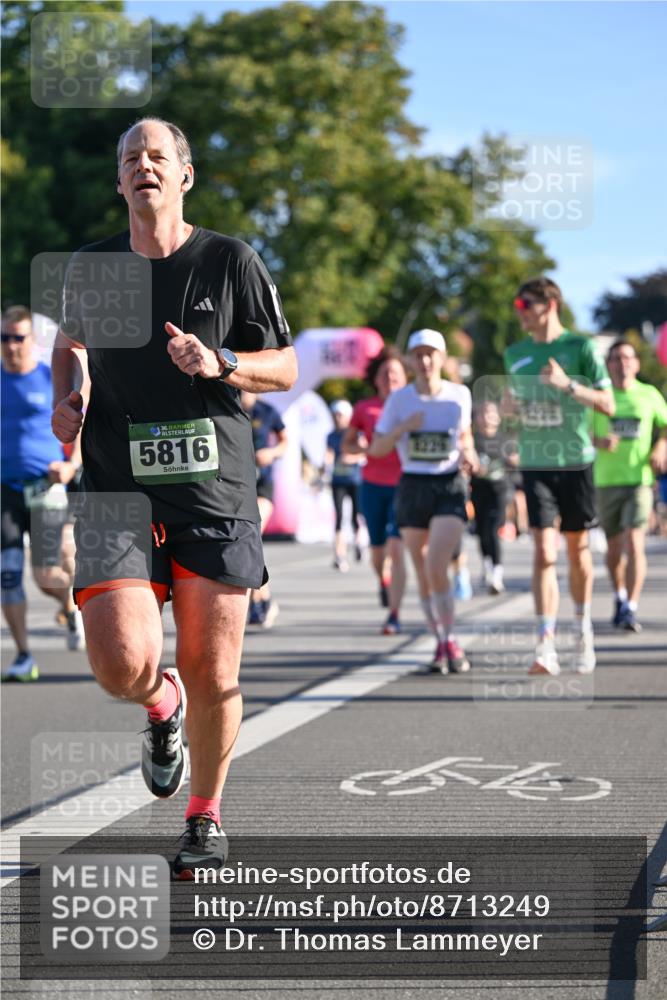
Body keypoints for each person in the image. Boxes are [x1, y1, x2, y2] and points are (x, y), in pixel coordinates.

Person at [50, 117, 297, 878]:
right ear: (119, 181)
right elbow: (71, 344)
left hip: (213, 492)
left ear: (184, 175)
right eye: (131, 158)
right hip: (117, 492)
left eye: (158, 156)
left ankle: (205, 816)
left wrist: (219, 361)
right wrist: (70, 394)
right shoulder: (92, 268)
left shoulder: (228, 261)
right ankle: (160, 708)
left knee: (213, 669)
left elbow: (285, 368)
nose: (143, 166)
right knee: (121, 663)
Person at [504, 277, 614, 676]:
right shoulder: (514, 354)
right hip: (536, 463)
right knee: (544, 551)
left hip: (576, 462)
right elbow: (514, 411)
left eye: (524, 303)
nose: (519, 311)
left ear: (549, 305)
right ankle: (545, 643)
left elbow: (607, 403)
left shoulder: (581, 348)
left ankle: (582, 630)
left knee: (577, 551)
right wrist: (507, 409)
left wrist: (568, 386)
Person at [370, 329, 478, 673]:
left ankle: (451, 639)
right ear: (412, 361)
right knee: (422, 571)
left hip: (448, 485)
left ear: (442, 358)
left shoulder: (459, 394)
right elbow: (376, 449)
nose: (426, 361)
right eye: (419, 355)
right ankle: (440, 640)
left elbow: (466, 437)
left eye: (432, 354)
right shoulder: (399, 401)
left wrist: (470, 455)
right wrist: (403, 428)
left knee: (436, 564)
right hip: (413, 485)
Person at [1, 306, 84, 682]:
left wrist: (72, 464)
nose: (11, 346)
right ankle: (23, 655)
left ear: (31, 342)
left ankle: (70, 603)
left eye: (18, 338)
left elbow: (81, 421)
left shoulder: (49, 378)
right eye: (4, 338)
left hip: (46, 487)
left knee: (47, 575)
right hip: (6, 491)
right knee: (8, 574)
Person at [592, 339, 667, 632]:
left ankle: (630, 608)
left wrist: (661, 447)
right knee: (613, 550)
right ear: (608, 365)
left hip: (639, 480)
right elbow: (580, 434)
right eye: (615, 359)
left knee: (634, 542)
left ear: (636, 363)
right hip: (606, 481)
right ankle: (619, 595)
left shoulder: (648, 394)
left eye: (626, 358)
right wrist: (598, 440)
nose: (621, 363)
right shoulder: (599, 398)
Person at [342, 346, 407, 634]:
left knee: (397, 545)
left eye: (396, 373)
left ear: (404, 379)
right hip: (372, 484)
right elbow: (346, 446)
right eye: (385, 373)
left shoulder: (411, 405)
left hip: (405, 484)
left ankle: (394, 613)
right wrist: (362, 447)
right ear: (376, 379)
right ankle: (383, 579)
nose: (390, 378)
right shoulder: (364, 408)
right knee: (378, 550)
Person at [240, 390, 288, 627]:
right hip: (237, 485)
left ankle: (258, 602)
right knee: (246, 542)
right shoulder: (227, 405)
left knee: (252, 534)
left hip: (262, 484)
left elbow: (284, 441)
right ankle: (262, 599)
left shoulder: (267, 411)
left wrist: (272, 452)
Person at [470, 399, 518, 594]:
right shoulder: (473, 440)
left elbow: (516, 461)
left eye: (490, 413)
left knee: (492, 528)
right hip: (479, 489)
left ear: (498, 418)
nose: (486, 417)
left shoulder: (505, 440)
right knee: (481, 532)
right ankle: (487, 565)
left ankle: (497, 574)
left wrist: (513, 460)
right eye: (482, 413)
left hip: (500, 490)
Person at [325, 400, 364, 572]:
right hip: (338, 481)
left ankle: (359, 543)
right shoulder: (331, 436)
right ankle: (339, 555)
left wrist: (352, 458)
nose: (337, 418)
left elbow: (365, 452)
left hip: (355, 480)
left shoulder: (356, 434)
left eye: (341, 415)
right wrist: (325, 466)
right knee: (339, 517)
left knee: (356, 516)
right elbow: (328, 454)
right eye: (335, 415)